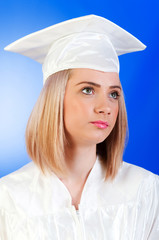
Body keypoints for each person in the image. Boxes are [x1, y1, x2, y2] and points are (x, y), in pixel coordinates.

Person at [0, 14, 158, 239]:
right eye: (88, 90)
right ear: (55, 98)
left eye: (114, 94)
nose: (106, 107)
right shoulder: (8, 199)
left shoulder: (145, 190)